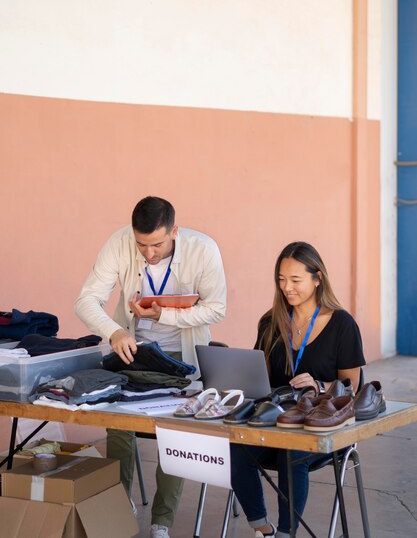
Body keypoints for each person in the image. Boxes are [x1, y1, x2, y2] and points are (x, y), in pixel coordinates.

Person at [75, 196, 227, 538]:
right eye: (142, 245)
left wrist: (165, 314)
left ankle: (162, 522)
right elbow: (86, 300)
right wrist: (113, 331)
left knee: (176, 430)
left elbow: (217, 308)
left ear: (175, 230)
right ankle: (119, 501)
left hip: (181, 361)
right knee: (115, 421)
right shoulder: (119, 243)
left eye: (157, 244)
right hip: (131, 351)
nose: (149, 253)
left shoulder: (204, 250)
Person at [230, 241, 365, 538]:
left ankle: (285, 533)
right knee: (236, 444)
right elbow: (260, 377)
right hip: (276, 419)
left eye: (295, 280)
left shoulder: (342, 324)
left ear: (317, 278)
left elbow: (352, 386)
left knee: (292, 451)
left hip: (322, 424)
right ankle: (262, 529)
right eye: (281, 279)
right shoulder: (271, 321)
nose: (286, 287)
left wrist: (319, 386)